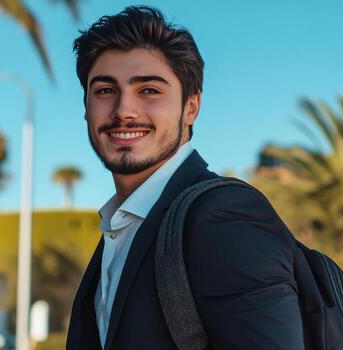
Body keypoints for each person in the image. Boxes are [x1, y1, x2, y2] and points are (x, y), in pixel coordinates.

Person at [66, 6, 305, 349]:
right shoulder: (122, 229)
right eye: (105, 90)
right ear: (86, 107)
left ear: (191, 107)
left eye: (149, 90)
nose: (124, 110)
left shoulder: (225, 216)